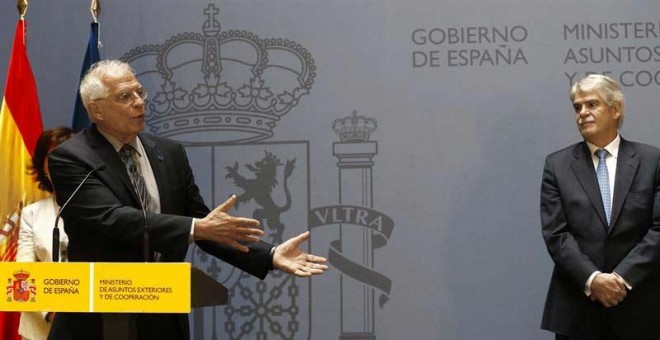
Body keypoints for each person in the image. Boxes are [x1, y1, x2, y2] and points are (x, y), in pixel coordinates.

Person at [46, 60, 328, 340]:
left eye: (139, 92)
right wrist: (196, 228)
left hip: (163, 314)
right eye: (124, 96)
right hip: (99, 318)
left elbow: (206, 226)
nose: (139, 102)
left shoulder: (169, 153)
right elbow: (110, 219)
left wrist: (268, 254)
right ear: (96, 109)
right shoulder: (73, 157)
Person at [540, 74, 660, 340]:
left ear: (615, 109)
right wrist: (593, 279)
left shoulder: (652, 161)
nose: (583, 113)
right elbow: (556, 234)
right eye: (577, 107)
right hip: (578, 308)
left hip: (641, 306)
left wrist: (621, 278)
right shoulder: (557, 165)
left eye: (592, 104)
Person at [16, 127, 74, 340]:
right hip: (39, 329)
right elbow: (24, 272)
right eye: (53, 157)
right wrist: (50, 310)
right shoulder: (32, 214)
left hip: (89, 323)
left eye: (67, 156)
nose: (60, 164)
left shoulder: (103, 211)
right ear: (43, 165)